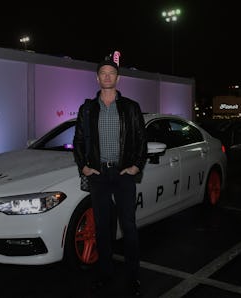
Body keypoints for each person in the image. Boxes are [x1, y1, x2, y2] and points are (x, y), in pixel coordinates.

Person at [73, 55, 147, 296]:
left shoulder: (131, 107)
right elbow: (78, 141)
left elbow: (141, 140)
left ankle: (133, 277)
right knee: (103, 228)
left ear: (118, 78)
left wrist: (136, 165)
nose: (107, 76)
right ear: (97, 78)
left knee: (129, 227)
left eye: (111, 73)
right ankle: (105, 274)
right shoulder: (87, 109)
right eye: (103, 73)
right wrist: (83, 165)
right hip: (99, 175)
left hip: (124, 173)